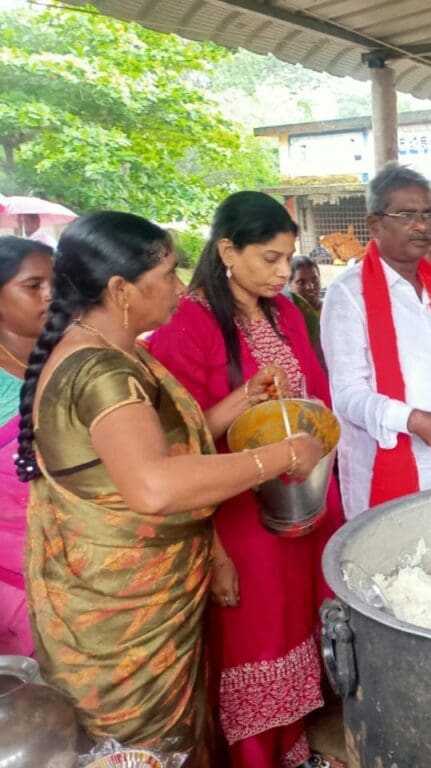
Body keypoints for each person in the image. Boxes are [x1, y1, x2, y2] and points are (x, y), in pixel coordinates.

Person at [17, 212, 322, 765]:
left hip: (150, 598)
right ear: (120, 290)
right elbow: (154, 484)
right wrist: (279, 455)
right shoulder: (99, 372)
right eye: (168, 273)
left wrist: (242, 400)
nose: (181, 287)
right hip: (120, 622)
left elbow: (156, 452)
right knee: (144, 749)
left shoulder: (117, 352)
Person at [148, 191, 341, 768]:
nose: (284, 272)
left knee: (297, 635)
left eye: (289, 258)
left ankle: (294, 750)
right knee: (255, 644)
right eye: (269, 258)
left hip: (304, 503)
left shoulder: (284, 313)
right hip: (237, 518)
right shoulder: (189, 322)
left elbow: (318, 405)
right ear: (228, 250)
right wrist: (214, 552)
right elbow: (176, 448)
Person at [322, 165, 431, 517]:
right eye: (407, 215)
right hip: (387, 472)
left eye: (427, 214)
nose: (422, 225)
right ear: (375, 224)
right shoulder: (349, 294)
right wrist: (412, 420)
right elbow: (347, 395)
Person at [0, 236, 52, 656]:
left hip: (81, 563)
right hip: (13, 576)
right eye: (32, 286)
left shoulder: (72, 356)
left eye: (55, 283)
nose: (50, 296)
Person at [288, 255, 323, 358]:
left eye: (315, 280)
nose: (310, 287)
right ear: (289, 284)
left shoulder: (331, 311)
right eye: (301, 282)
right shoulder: (288, 318)